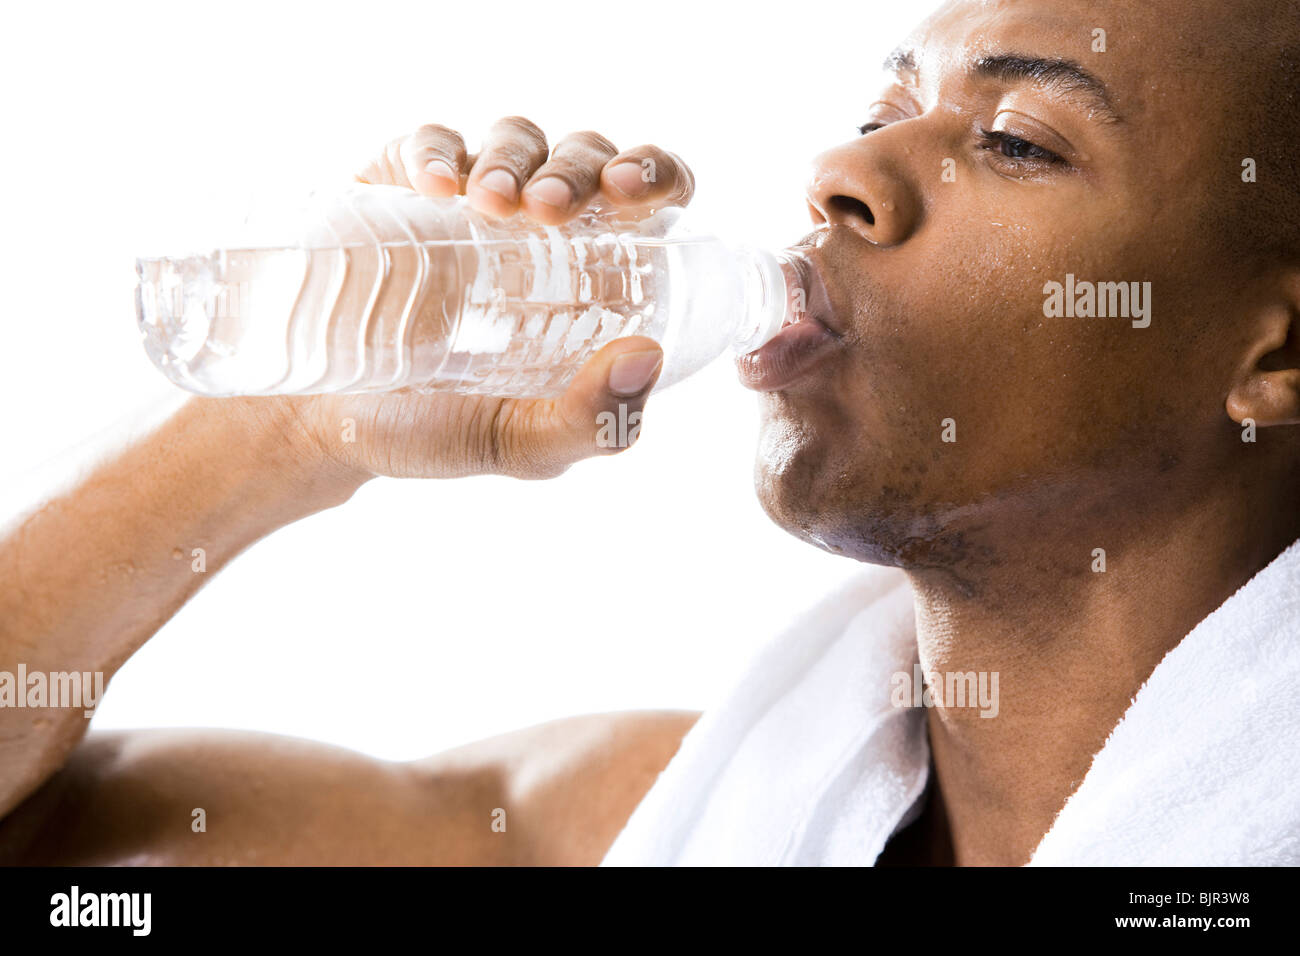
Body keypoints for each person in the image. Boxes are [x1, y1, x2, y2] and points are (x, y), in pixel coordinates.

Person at [2, 0, 1299, 866]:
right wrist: (290, 423)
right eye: (878, 115)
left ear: (1275, 353)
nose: (837, 176)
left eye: (1016, 141)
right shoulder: (654, 826)